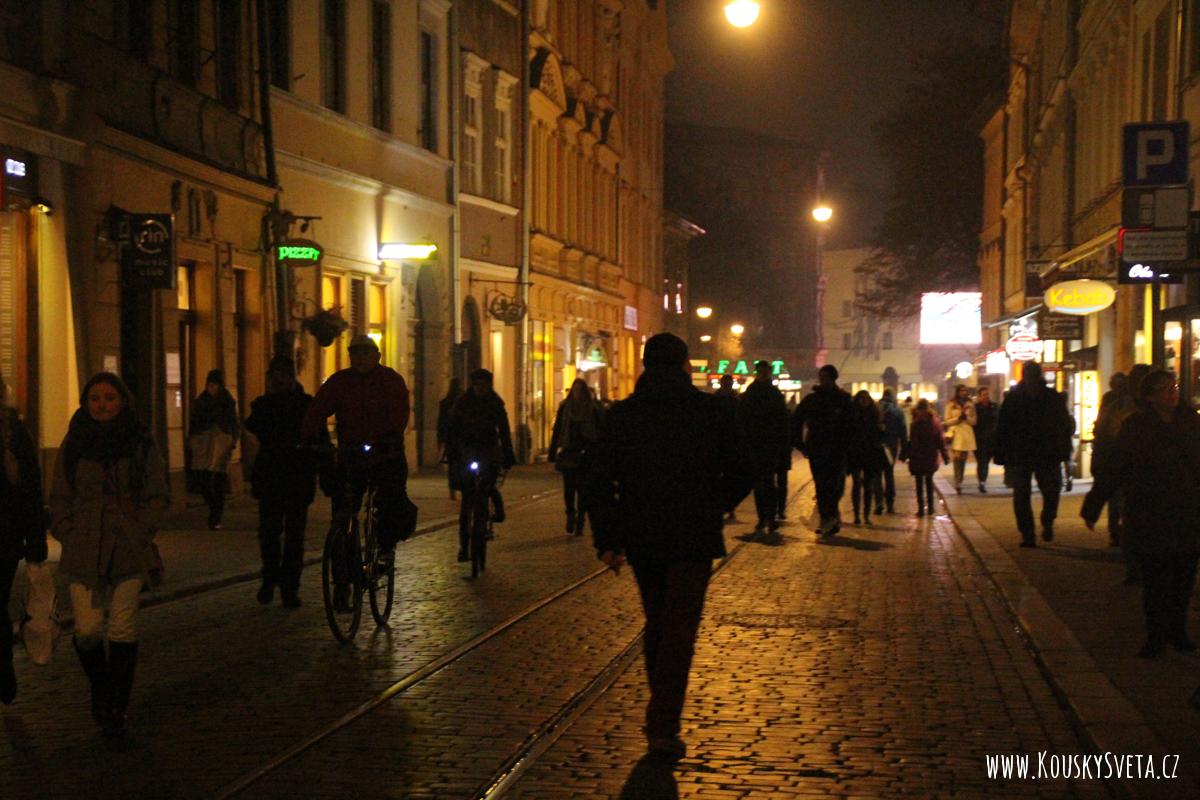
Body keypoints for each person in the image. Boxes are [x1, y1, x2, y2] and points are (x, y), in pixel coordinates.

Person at [588, 332, 751, 760]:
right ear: (684, 365)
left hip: (643, 533)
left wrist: (608, 539)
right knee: (679, 627)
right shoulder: (710, 412)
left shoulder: (624, 415)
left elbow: (599, 480)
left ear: (645, 365)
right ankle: (663, 723)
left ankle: (661, 716)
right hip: (693, 534)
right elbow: (742, 468)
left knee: (659, 622)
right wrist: (714, 504)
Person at [50, 373, 168, 736]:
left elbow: (156, 493)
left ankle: (116, 705)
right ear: (86, 403)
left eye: (109, 398)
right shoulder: (74, 442)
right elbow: (60, 494)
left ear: (123, 401)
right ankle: (101, 688)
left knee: (121, 626)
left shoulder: (140, 440)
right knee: (87, 630)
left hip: (127, 545)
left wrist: (142, 531)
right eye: (95, 399)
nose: (102, 405)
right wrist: (68, 532)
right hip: (85, 546)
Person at [1082, 370, 1199, 659]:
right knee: (1155, 579)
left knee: (1183, 576)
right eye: (1163, 389)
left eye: (1173, 387)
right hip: (1150, 512)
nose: (1171, 393)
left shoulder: (1190, 422)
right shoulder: (1136, 427)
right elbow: (1116, 466)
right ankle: (1156, 636)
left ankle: (1177, 629)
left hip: (1186, 511)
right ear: (1148, 396)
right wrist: (1094, 504)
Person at [302, 334, 415, 573]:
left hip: (386, 454)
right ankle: (342, 570)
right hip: (351, 455)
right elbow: (317, 409)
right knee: (343, 508)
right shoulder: (340, 381)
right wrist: (311, 436)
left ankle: (385, 549)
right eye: (355, 353)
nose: (360, 358)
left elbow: (400, 413)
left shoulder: (390, 380)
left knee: (389, 499)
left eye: (365, 353)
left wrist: (391, 436)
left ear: (377, 356)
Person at [244, 356, 326, 608]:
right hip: (270, 477)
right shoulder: (263, 404)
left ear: (291, 378)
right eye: (272, 376)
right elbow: (253, 426)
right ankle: (270, 578)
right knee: (269, 533)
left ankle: (290, 587)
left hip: (297, 476)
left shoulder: (306, 405)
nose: (276, 381)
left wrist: (324, 467)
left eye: (281, 376)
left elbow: (319, 439)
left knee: (294, 536)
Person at [0, 371, 48, 704]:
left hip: (4, 538)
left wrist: (35, 541)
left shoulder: (15, 432)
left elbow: (30, 489)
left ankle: (3, 665)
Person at [992, 362, 1073, 547]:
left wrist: (1064, 451)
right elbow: (1003, 427)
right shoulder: (1016, 398)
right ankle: (1028, 533)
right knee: (1023, 494)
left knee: (1050, 491)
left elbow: (1063, 426)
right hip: (1023, 453)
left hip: (1045, 452)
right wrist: (1001, 453)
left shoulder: (1049, 397)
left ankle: (1046, 521)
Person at [447, 368, 517, 561]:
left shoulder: (495, 402)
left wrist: (508, 451)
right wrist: (452, 451)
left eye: (484, 384)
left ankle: (497, 509)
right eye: (478, 384)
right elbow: (452, 428)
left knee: (488, 485)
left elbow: (503, 429)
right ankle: (464, 546)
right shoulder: (462, 402)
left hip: (488, 450)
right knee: (467, 500)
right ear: (473, 385)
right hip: (467, 450)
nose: (481, 388)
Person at [792, 364, 853, 537]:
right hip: (817, 448)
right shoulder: (813, 399)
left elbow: (852, 425)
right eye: (821, 377)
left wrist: (850, 446)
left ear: (833, 379)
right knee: (821, 484)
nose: (822, 380)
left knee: (834, 485)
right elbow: (797, 419)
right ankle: (827, 517)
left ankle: (830, 516)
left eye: (825, 377)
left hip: (837, 449)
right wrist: (800, 443)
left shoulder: (843, 400)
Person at [737, 361, 790, 540]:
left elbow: (782, 420)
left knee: (767, 482)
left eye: (765, 372)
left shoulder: (772, 393)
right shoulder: (753, 393)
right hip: (756, 443)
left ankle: (769, 517)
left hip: (768, 444)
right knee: (761, 483)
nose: (763, 374)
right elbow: (743, 419)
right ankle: (764, 517)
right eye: (761, 372)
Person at [549, 378, 603, 536]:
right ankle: (570, 514)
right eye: (575, 390)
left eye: (580, 390)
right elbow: (557, 429)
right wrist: (553, 451)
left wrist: (600, 451)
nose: (577, 393)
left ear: (585, 392)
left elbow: (601, 431)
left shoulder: (593, 408)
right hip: (569, 452)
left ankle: (580, 520)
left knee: (583, 490)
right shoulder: (565, 407)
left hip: (587, 453)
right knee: (569, 488)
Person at [188, 369, 240, 529]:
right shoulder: (201, 401)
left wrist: (233, 439)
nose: (211, 388)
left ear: (220, 386)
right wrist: (192, 439)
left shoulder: (227, 401)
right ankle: (213, 508)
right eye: (209, 384)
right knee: (202, 478)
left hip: (221, 442)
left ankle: (215, 517)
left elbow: (233, 422)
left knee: (219, 480)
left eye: (214, 385)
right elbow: (195, 422)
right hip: (204, 442)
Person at [1092, 372, 1133, 549]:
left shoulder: (1128, 402)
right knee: (1115, 497)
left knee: (1119, 497)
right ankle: (1115, 531)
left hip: (1121, 455)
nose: (1119, 389)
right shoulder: (1111, 401)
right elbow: (1102, 426)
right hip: (1112, 454)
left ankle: (1121, 531)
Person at [900, 399, 949, 516]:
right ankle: (931, 507)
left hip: (917, 455)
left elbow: (912, 441)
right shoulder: (935, 422)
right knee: (929, 480)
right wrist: (945, 455)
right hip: (930, 454)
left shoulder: (915, 422)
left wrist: (905, 454)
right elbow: (940, 440)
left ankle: (921, 508)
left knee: (919, 483)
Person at [846, 390, 887, 526]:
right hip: (856, 453)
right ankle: (857, 515)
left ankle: (866, 515)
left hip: (870, 454)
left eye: (865, 399)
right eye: (861, 398)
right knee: (857, 483)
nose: (863, 401)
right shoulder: (852, 415)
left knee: (868, 486)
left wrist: (881, 431)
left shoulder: (874, 415)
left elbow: (880, 436)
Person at [878, 389, 907, 513]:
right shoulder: (898, 411)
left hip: (877, 445)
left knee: (877, 474)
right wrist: (904, 450)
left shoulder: (876, 409)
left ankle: (879, 501)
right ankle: (890, 502)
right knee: (889, 473)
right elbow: (903, 431)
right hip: (891, 445)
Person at [943, 384, 976, 494]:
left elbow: (974, 421)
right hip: (956, 433)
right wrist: (958, 419)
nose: (964, 392)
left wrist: (967, 418)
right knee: (957, 458)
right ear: (958, 392)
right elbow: (947, 421)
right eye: (962, 390)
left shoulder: (970, 404)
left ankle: (960, 479)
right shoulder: (951, 404)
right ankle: (957, 481)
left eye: (965, 390)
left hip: (966, 434)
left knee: (963, 459)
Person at [436, 378, 463, 500]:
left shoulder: (445, 402)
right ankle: (461, 487)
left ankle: (452, 490)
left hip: (451, 439)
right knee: (461, 464)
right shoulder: (464, 402)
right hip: (460, 439)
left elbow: (441, 423)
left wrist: (440, 440)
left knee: (452, 466)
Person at [973, 386, 998, 493]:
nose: (986, 397)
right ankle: (982, 481)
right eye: (984, 395)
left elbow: (998, 420)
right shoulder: (975, 408)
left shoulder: (994, 406)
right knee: (981, 461)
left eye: (987, 394)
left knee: (985, 461)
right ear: (979, 396)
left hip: (991, 439)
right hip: (979, 439)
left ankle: (982, 481)